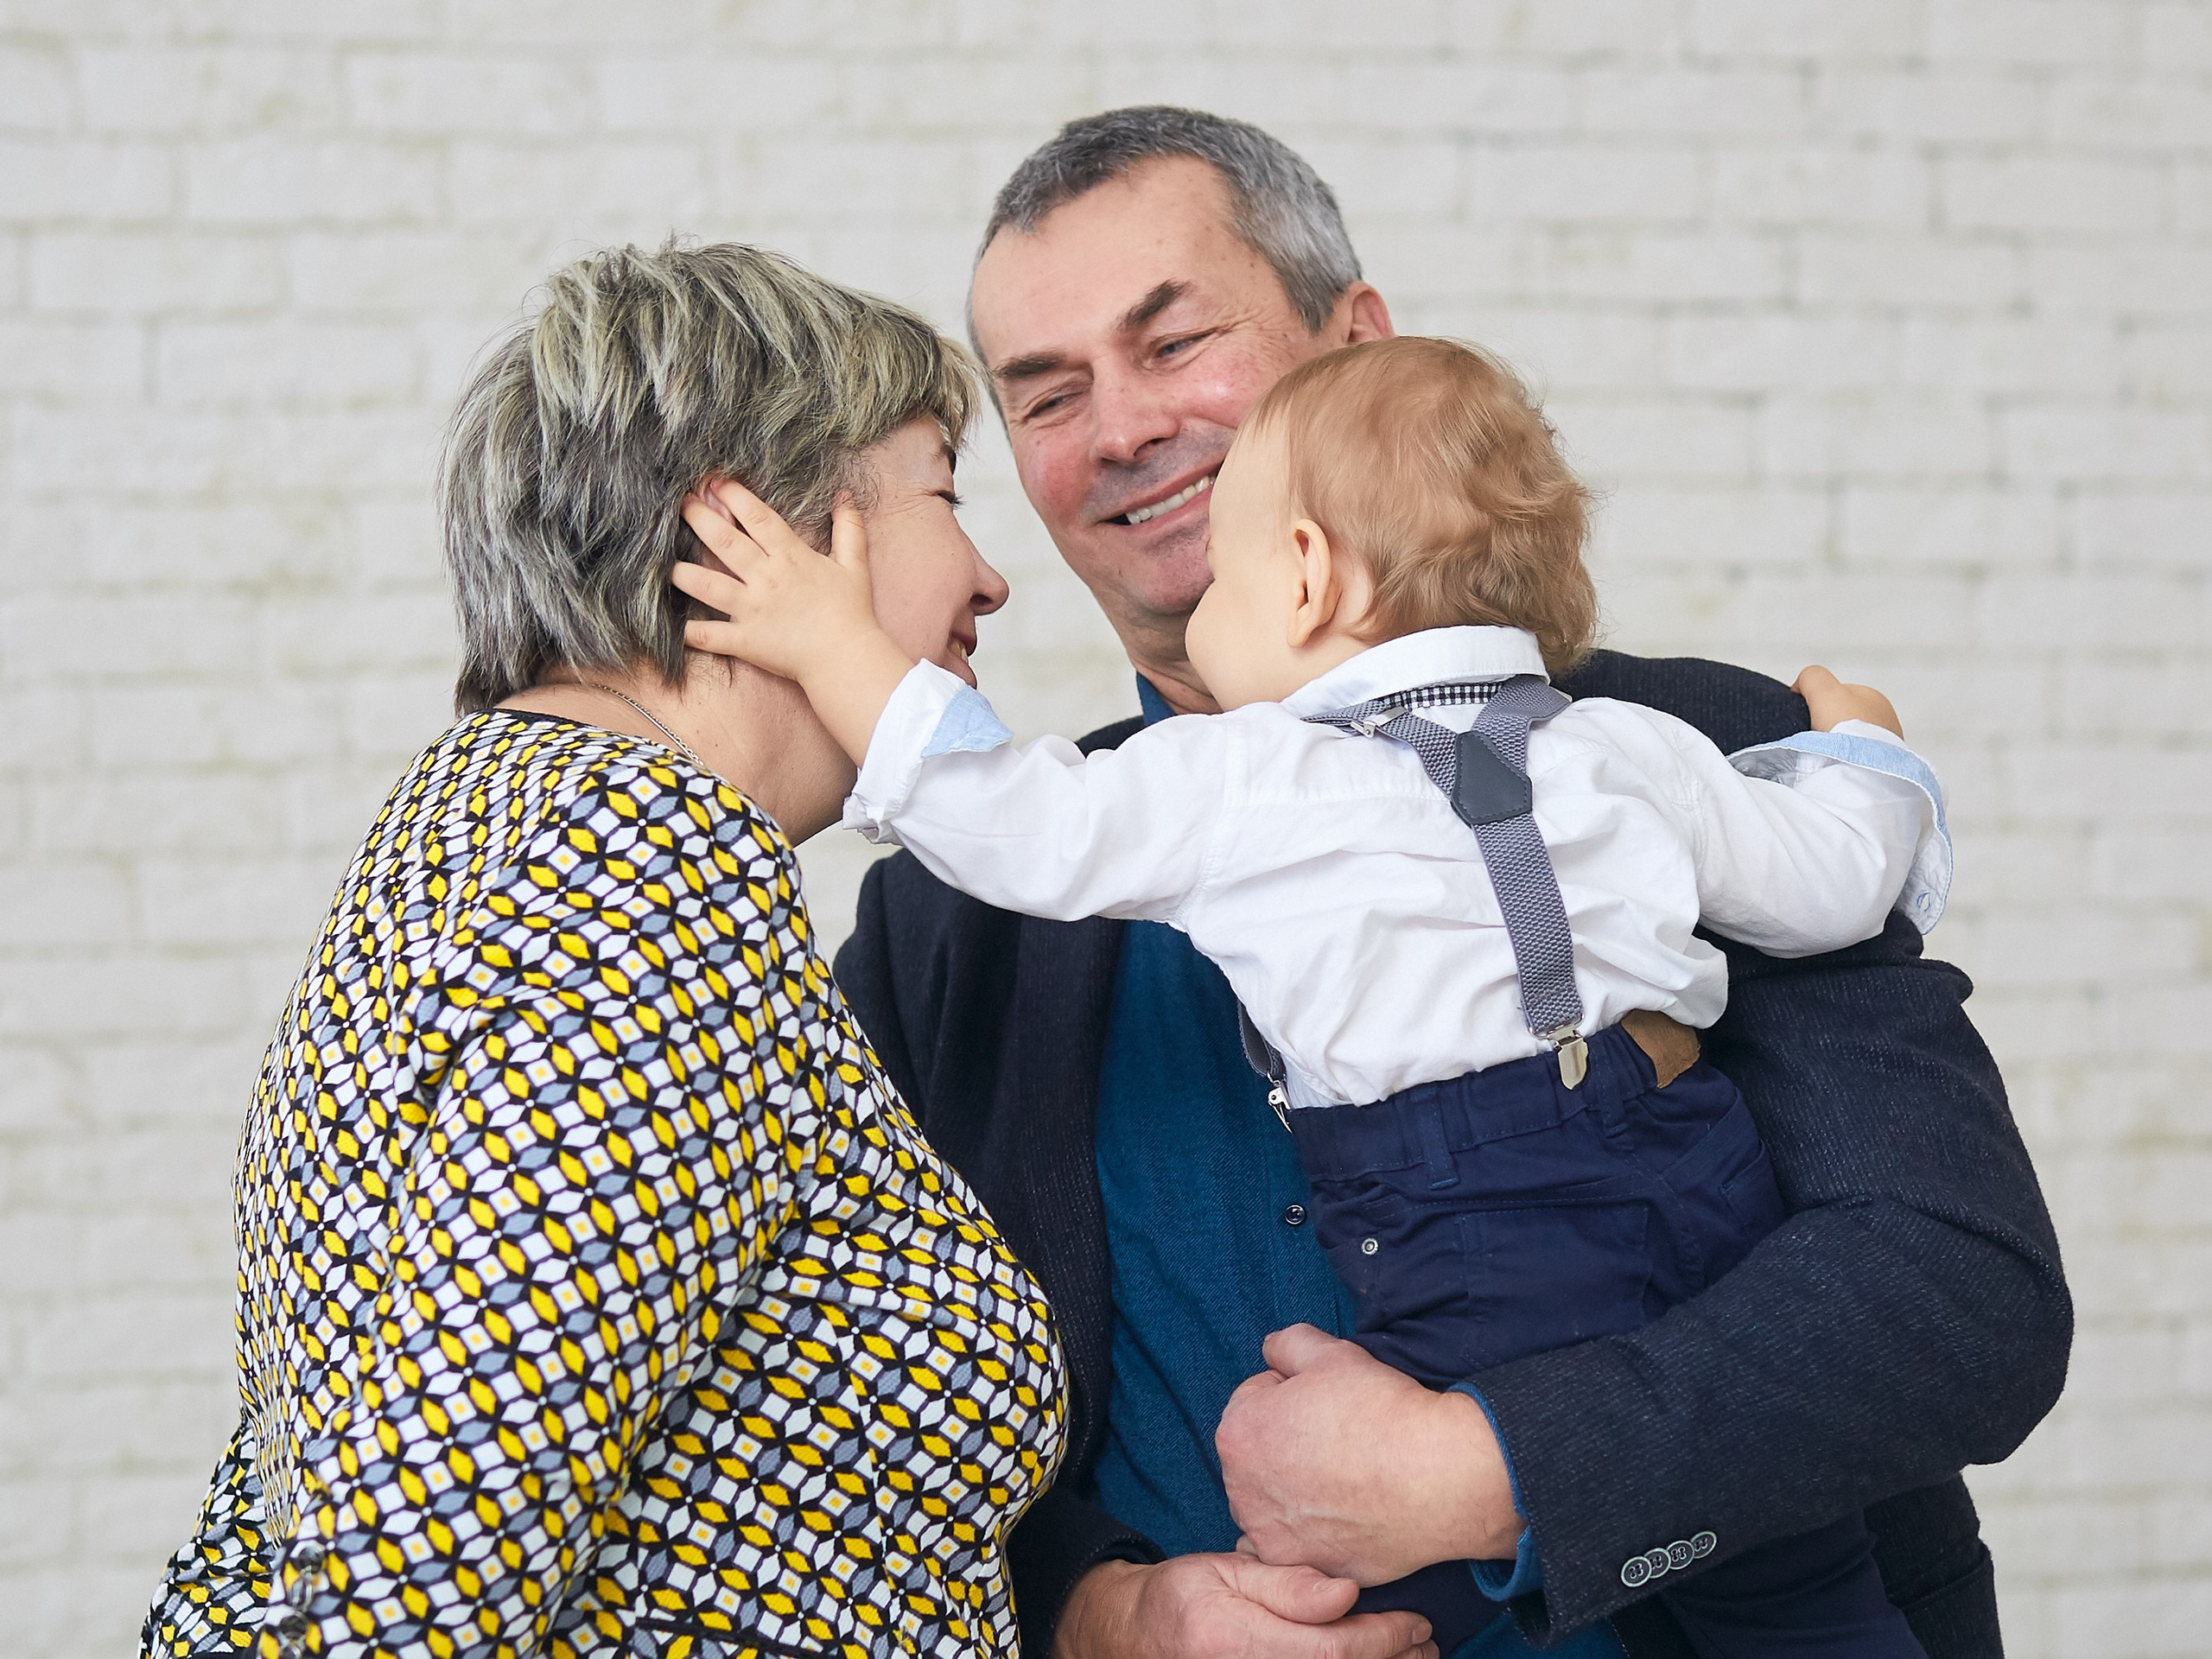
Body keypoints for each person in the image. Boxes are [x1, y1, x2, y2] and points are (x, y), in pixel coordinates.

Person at [834, 109, 2072, 1659]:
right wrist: (1102, 1616)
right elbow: (867, 1428)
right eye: (1050, 395)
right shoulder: (950, 920)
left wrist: (1487, 1474)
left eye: (1176, 344)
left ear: (1357, 343)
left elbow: (1960, 1296)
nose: (1124, 429)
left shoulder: (1694, 754)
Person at [670, 328, 1955, 1659]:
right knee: (1809, 1599)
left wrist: (830, 640)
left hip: (1469, 1237)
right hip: (1701, 1189)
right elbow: (1837, 886)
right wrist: (1862, 749)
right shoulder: (1636, 750)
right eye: (1053, 392)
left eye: (1222, 566)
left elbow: (1005, 815)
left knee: (1350, 1568)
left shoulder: (1251, 776)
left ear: (1300, 578)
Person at [139, 242, 1065, 1659]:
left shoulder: (489, 819)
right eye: (944, 491)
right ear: (748, 532)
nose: (990, 578)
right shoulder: (642, 867)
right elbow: (418, 1580)